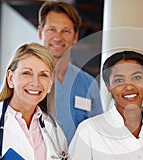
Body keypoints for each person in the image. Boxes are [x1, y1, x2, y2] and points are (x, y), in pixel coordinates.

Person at [38, 1, 103, 145]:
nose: (58, 37)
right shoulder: (25, 80)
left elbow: (98, 132)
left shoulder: (88, 84)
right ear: (40, 32)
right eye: (52, 30)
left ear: (75, 37)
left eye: (65, 31)